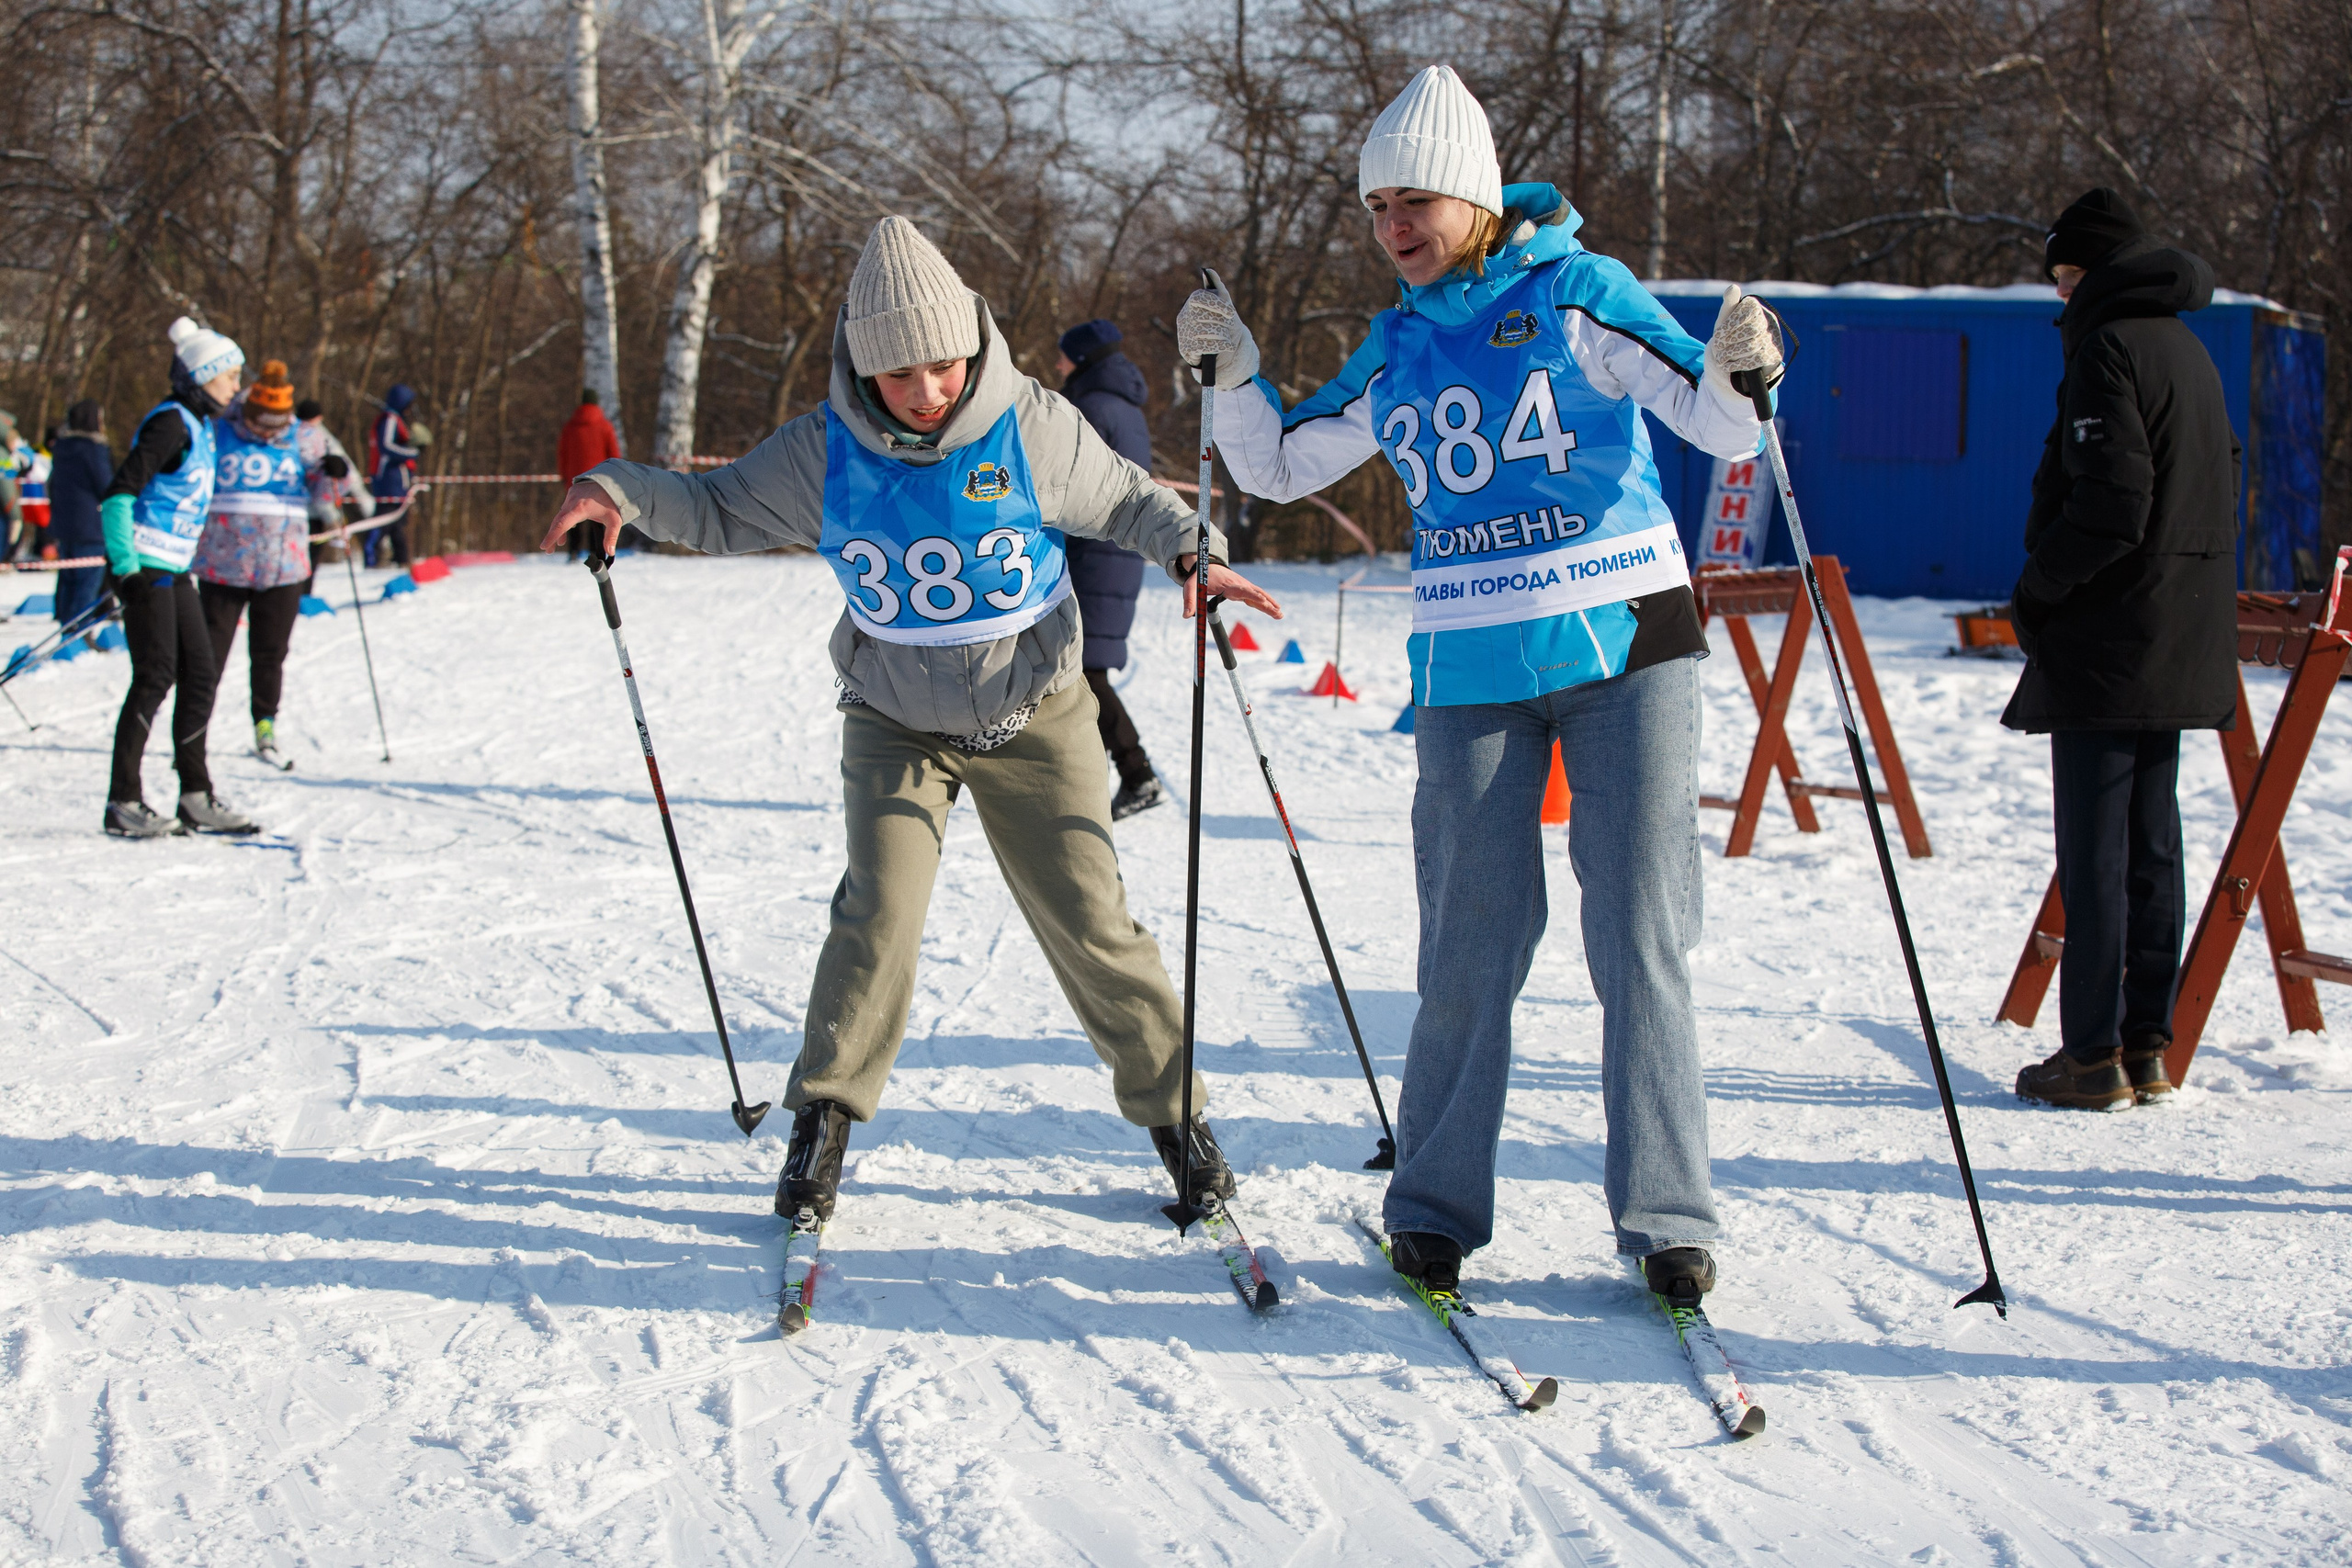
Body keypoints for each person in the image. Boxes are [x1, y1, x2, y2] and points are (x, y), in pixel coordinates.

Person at [539, 215, 1285, 1230]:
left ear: (972, 345)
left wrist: (1196, 552)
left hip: (1036, 709)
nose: (928, 390)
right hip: (893, 717)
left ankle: (1177, 1121)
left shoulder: (1030, 424)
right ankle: (822, 1123)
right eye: (899, 373)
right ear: (863, 367)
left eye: (943, 364)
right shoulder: (821, 451)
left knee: (1091, 921)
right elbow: (714, 508)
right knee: (876, 916)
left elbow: (1128, 502)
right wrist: (616, 488)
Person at [1179, 64, 1779, 1308]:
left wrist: (1739, 371)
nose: (1394, 227)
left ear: (1476, 197)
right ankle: (1435, 1206)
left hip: (1629, 638)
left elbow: (1719, 426)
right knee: (1467, 940)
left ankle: (1668, 1216)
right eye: (1376, 207)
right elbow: (1279, 465)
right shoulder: (1399, 344)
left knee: (1640, 931)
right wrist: (1233, 375)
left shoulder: (1578, 293)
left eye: (1416, 201)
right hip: (1470, 660)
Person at [2005, 189, 2241, 1112]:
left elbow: (2110, 504)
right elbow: (2217, 478)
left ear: (2099, 272)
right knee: (2152, 843)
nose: (2062, 295)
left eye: (2068, 276)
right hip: (2181, 625)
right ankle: (2147, 1046)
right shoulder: (2187, 348)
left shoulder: (2108, 347)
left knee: (2095, 848)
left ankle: (2090, 1055)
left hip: (2110, 633)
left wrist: (2038, 590)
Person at [98, 317, 261, 839]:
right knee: (155, 675)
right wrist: (125, 569)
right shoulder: (170, 423)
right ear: (203, 375)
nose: (236, 386)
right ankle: (123, 800)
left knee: (201, 673)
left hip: (176, 567)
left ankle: (195, 794)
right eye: (229, 376)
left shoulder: (201, 425)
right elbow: (118, 495)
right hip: (146, 567)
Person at [193, 361, 345, 769]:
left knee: (270, 653)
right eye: (260, 424)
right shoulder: (218, 429)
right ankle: (193, 733)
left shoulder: (305, 437)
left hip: (283, 566)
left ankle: (265, 725)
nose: (266, 434)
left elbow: (324, 496)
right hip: (222, 564)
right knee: (209, 656)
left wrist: (334, 475)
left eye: (275, 427)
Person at [1054, 318, 1165, 818]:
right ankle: (1088, 777)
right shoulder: (1120, 405)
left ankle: (1136, 774)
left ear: (1083, 358)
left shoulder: (1092, 407)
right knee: (1077, 670)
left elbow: (1069, 484)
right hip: (1109, 554)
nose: (1058, 364)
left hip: (1091, 556)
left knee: (1083, 672)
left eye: (1064, 355)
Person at [45, 400, 113, 637]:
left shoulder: (61, 447)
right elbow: (105, 485)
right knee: (87, 581)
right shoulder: (93, 449)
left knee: (68, 578)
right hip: (90, 526)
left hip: (64, 525)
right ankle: (81, 632)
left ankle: (66, 627)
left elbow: (52, 483)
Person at [297, 398, 374, 573]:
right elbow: (337, 471)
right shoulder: (318, 436)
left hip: (299, 508)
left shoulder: (291, 433)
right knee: (309, 560)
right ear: (317, 417)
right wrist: (333, 518)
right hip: (311, 510)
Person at [557, 389, 623, 561]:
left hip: (575, 479)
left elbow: (563, 454)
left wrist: (565, 476)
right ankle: (597, 553)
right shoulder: (605, 426)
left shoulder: (570, 427)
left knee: (574, 516)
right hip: (600, 480)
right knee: (598, 518)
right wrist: (616, 478)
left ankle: (573, 552)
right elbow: (614, 454)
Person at [366, 384, 420, 567]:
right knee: (384, 517)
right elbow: (386, 446)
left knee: (398, 520)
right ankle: (371, 554)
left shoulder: (396, 419)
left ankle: (401, 558)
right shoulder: (389, 419)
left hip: (398, 478)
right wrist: (412, 452)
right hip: (389, 478)